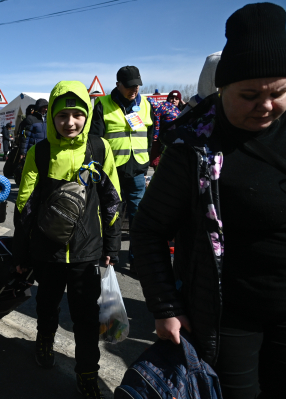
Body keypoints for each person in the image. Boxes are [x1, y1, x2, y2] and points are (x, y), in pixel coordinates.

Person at [132, 3, 286, 398]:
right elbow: (149, 229)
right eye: (249, 95)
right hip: (228, 318)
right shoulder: (193, 147)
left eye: (280, 92)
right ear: (221, 90)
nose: (266, 106)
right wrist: (164, 306)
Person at [13, 81, 121, 399]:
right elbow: (25, 205)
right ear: (52, 118)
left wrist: (112, 247)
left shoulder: (99, 149)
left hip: (87, 254)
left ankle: (87, 374)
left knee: (86, 319)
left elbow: (112, 200)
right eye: (63, 115)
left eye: (77, 114)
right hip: (48, 253)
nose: (70, 122)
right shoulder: (41, 152)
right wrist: (21, 254)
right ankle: (44, 340)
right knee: (46, 305)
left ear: (87, 115)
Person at [90, 65, 154, 269]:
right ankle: (109, 254)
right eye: (129, 86)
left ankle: (136, 258)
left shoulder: (145, 104)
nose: (134, 89)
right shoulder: (102, 104)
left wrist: (145, 162)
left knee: (139, 216)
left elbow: (150, 136)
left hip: (137, 170)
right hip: (112, 171)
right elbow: (96, 140)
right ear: (118, 85)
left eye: (137, 85)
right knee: (110, 213)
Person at [146, 96, 180, 169]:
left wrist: (154, 138)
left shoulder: (156, 108)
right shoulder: (169, 106)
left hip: (168, 131)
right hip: (177, 130)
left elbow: (156, 124)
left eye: (177, 99)